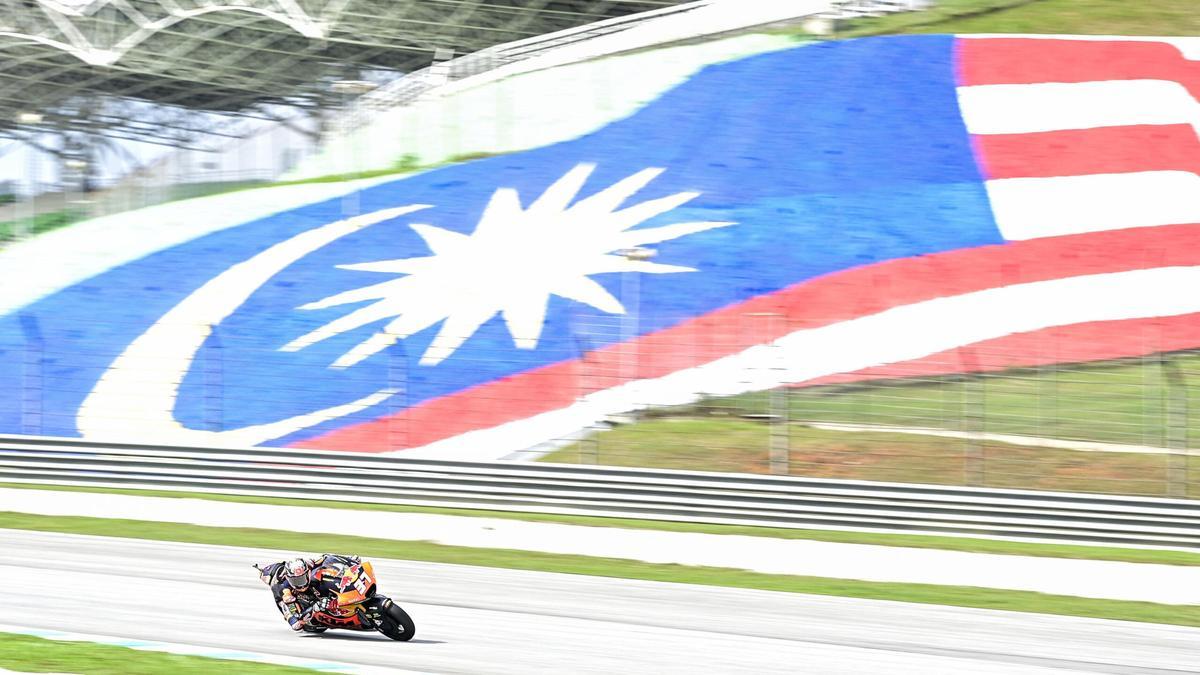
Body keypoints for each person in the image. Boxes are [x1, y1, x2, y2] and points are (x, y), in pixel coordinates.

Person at [255, 553, 361, 632]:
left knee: (323, 572)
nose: (300, 584)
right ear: (289, 579)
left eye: (302, 579)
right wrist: (313, 609)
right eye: (296, 581)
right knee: (295, 621)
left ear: (306, 572)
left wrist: (348, 561)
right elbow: (296, 623)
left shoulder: (308, 564)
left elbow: (327, 557)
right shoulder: (284, 592)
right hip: (304, 613)